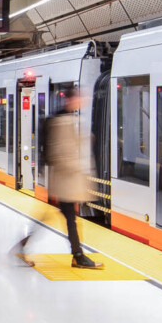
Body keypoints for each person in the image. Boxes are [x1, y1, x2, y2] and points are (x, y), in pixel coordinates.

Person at [14, 92, 103, 270]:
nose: (82, 101)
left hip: (63, 179)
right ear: (71, 100)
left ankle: (27, 245)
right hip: (65, 180)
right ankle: (78, 256)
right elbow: (62, 153)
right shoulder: (63, 121)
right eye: (79, 98)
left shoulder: (64, 119)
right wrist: (79, 169)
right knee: (69, 218)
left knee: (59, 217)